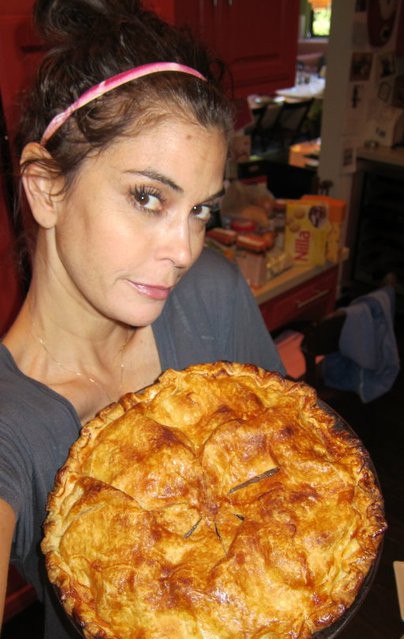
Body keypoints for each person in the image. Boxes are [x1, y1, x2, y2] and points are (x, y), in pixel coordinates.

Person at [0, 0, 284, 636]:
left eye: (200, 210)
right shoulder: (11, 424)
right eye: (148, 197)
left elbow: (287, 468)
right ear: (45, 187)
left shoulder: (211, 294)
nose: (183, 250)